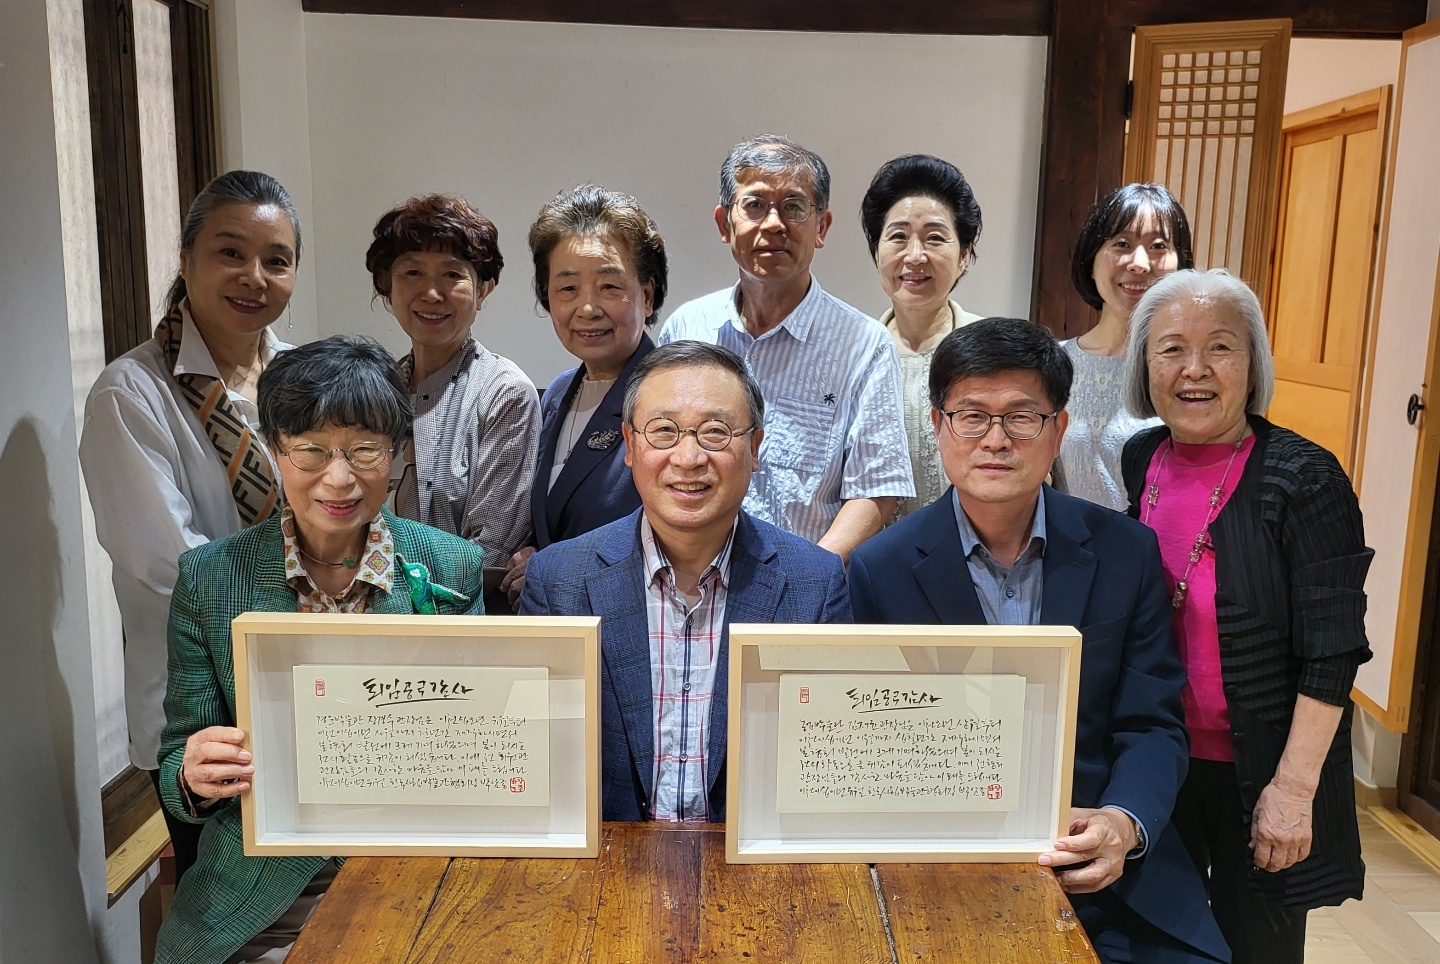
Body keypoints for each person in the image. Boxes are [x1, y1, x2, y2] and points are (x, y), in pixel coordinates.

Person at [849, 318, 1228, 964]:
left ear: (1059, 430)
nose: (996, 439)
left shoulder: (1126, 551)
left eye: (1022, 417)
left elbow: (1152, 723)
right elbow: (871, 744)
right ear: (938, 427)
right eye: (972, 416)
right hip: (943, 868)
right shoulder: (879, 569)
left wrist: (1123, 822)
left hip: (1102, 864)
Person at [153, 336, 486, 964]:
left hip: (407, 880)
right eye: (310, 450)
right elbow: (177, 765)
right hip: (257, 894)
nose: (339, 478)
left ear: (395, 452)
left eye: (364, 450)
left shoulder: (450, 566)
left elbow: (472, 744)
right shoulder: (211, 578)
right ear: (275, 450)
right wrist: (194, 775)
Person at [1119, 269, 1370, 964]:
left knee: (1257, 947)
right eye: (1172, 348)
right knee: (1155, 941)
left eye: (1221, 347)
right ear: (1145, 366)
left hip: (1262, 767)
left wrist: (1293, 790)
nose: (1194, 369)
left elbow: (1332, 650)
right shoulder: (1142, 457)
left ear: (1253, 363)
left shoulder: (1303, 476)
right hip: (1162, 757)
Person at [519, 341, 851, 822]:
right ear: (630, 444)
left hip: (750, 859)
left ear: (755, 448)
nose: (689, 457)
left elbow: (824, 771)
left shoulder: (814, 584)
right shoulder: (559, 580)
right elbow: (540, 764)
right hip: (605, 859)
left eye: (716, 432)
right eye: (664, 431)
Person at [79, 170, 301, 881]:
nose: (254, 277)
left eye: (276, 260)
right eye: (231, 252)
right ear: (186, 259)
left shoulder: (301, 381)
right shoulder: (131, 392)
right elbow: (172, 567)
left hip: (309, 691)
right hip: (200, 712)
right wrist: (316, 610)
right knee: (228, 906)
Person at [659, 134, 912, 561]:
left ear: (821, 227)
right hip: (687, 579)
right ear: (724, 224)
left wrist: (809, 578)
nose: (774, 224)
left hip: (808, 585)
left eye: (794, 207)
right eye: (754, 205)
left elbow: (876, 491)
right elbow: (656, 458)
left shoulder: (864, 345)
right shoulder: (687, 328)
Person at [500, 185, 667, 605]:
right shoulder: (557, 393)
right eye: (568, 289)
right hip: (560, 623)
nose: (588, 308)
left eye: (609, 286)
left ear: (647, 296)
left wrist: (553, 568)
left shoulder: (671, 396)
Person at [365, 193, 540, 575]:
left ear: (483, 289)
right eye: (412, 273)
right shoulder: (374, 389)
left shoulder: (504, 394)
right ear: (387, 285)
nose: (431, 293)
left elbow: (489, 552)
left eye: (452, 274)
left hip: (452, 607)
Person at [1050, 183, 1193, 511]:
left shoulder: (1190, 370)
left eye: (1158, 246)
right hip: (1070, 541)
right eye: (1122, 244)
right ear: (1091, 260)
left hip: (1161, 543)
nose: (1140, 263)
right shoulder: (1055, 363)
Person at [859, 154, 986, 518]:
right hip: (873, 550)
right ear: (877, 252)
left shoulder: (996, 352)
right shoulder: (853, 354)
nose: (915, 256)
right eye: (898, 237)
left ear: (964, 255)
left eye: (934, 238)